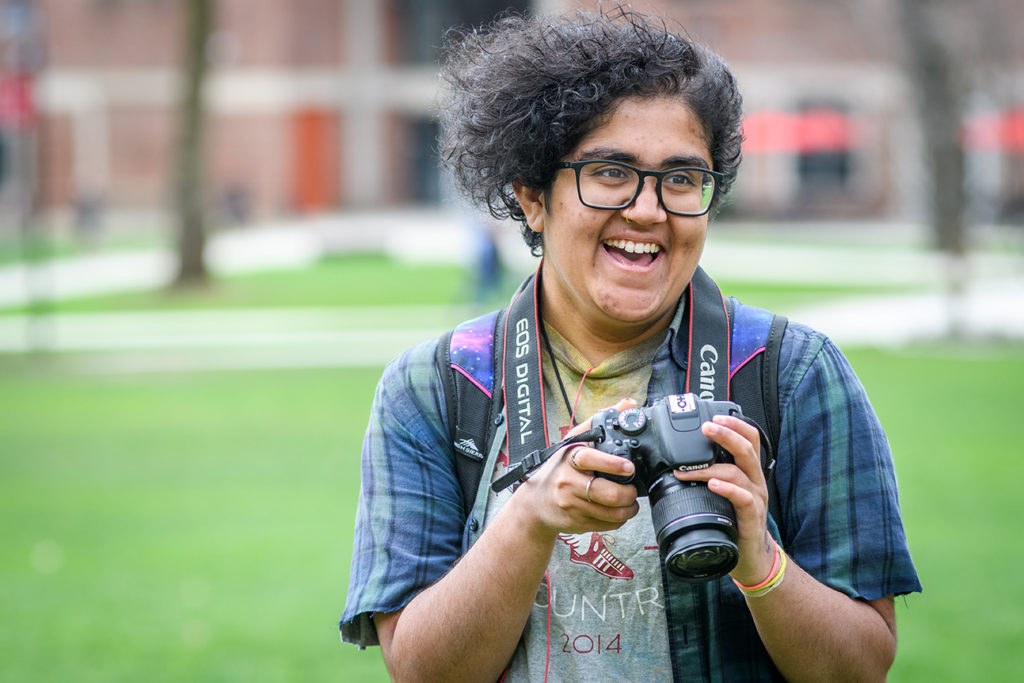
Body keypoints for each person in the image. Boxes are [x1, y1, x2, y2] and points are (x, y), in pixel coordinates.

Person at [340, 8, 920, 682]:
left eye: (681, 179)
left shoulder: (789, 374)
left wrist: (759, 558)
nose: (648, 210)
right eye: (611, 172)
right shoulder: (437, 388)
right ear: (532, 195)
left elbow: (863, 668)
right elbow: (421, 671)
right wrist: (528, 517)